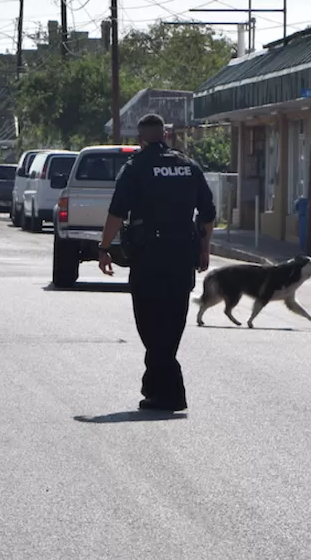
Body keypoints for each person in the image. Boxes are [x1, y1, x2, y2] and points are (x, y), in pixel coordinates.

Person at [98, 114, 216, 412]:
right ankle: (157, 389)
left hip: (149, 255)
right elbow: (208, 212)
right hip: (182, 254)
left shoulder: (135, 167)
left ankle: (169, 392)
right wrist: (204, 249)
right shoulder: (188, 166)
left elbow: (116, 212)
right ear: (165, 136)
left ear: (140, 139)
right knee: (173, 323)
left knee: (149, 324)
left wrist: (104, 248)